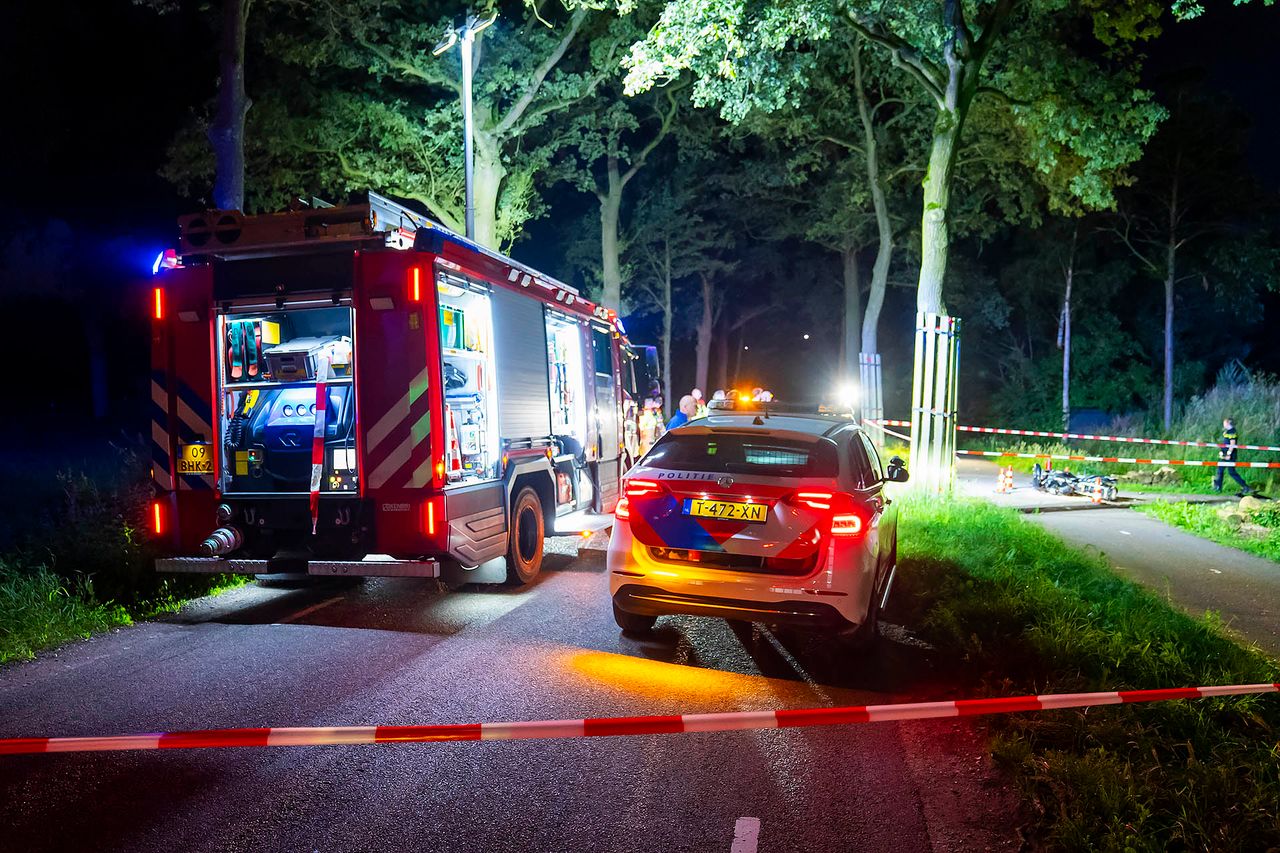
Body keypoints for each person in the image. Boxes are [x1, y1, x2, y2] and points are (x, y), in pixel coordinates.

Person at [1213, 417, 1253, 496]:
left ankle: (1245, 487)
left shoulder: (1232, 432)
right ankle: (1218, 488)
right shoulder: (1227, 432)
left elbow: (1232, 444)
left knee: (1232, 472)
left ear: (1228, 423)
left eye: (1224, 422)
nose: (1223, 424)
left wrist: (1229, 454)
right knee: (1220, 470)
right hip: (1224, 455)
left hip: (1230, 455)